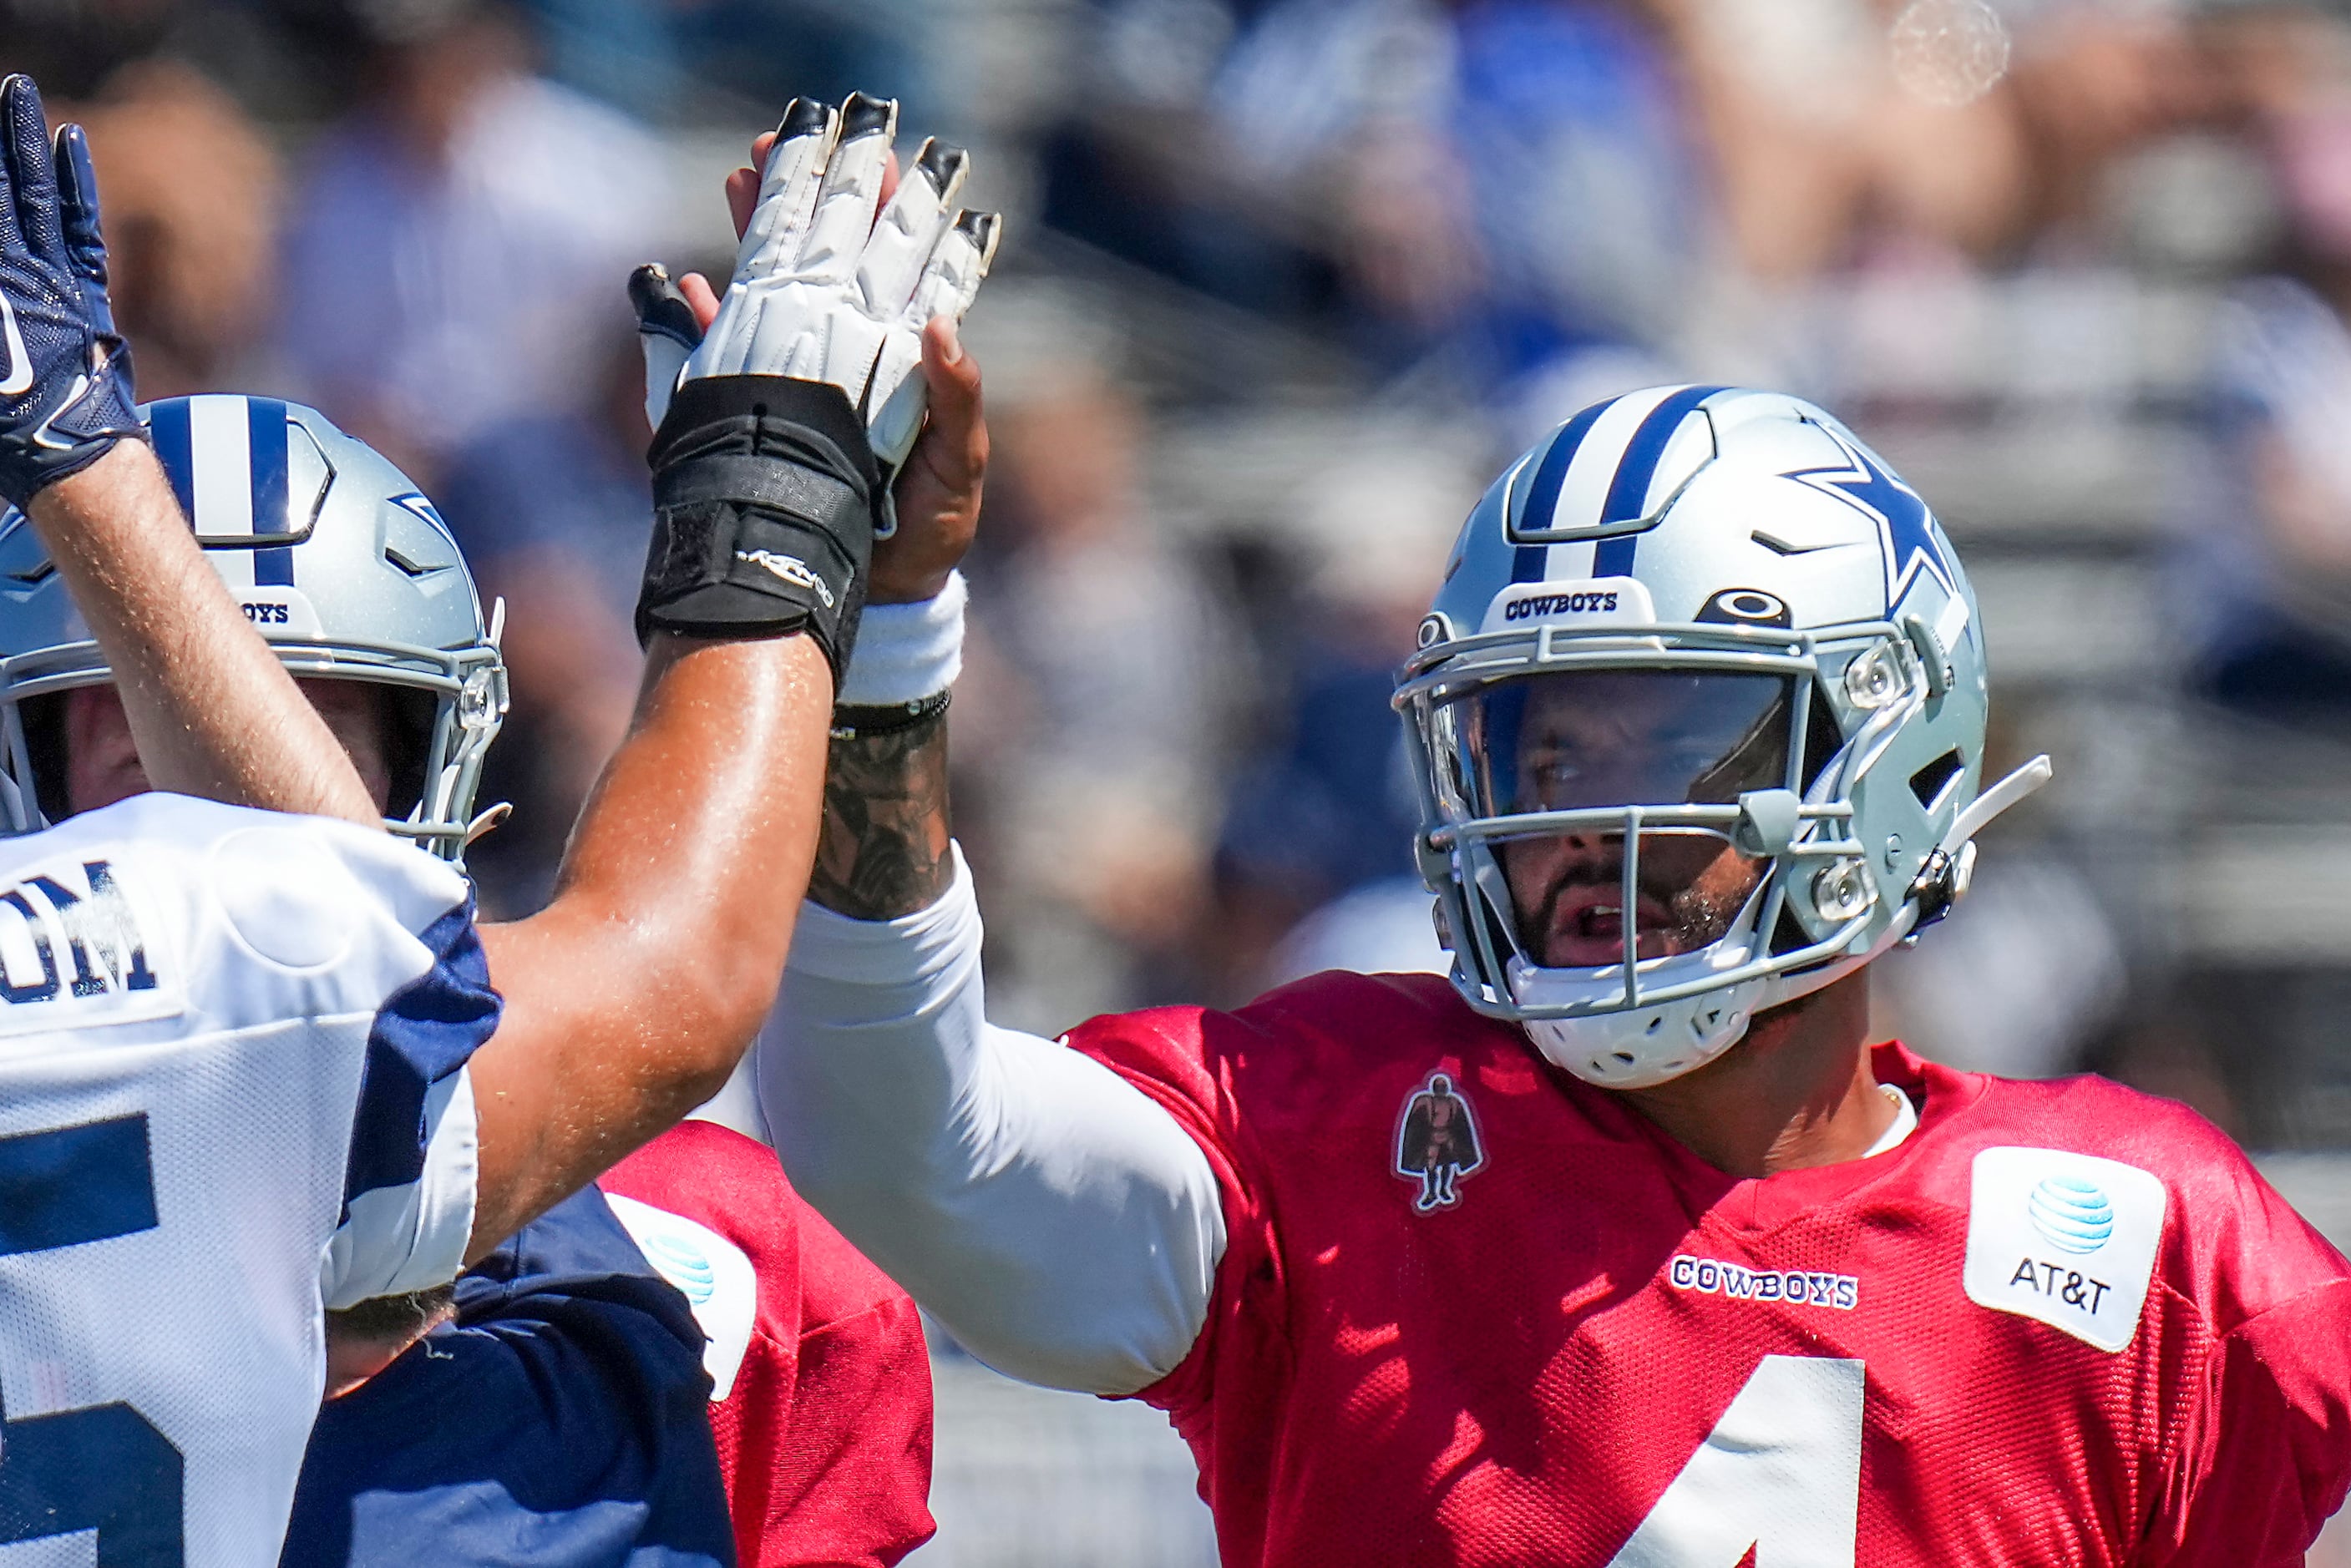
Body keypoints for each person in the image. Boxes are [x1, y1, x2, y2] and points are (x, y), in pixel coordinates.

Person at [759, 377, 2351, 1563]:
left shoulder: (2159, 1250)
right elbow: (906, 1135)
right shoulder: (1341, 1126)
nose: (1581, 826)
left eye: (1656, 739)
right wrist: (880, 644)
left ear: (1884, 749)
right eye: (1540, 751)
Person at [0, 72, 963, 1562]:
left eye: (302, 712)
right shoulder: (666, 1236)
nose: (202, 791)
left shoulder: (723, 1242)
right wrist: (782, 498)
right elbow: (649, 974)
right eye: (133, 708)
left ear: (430, 755)